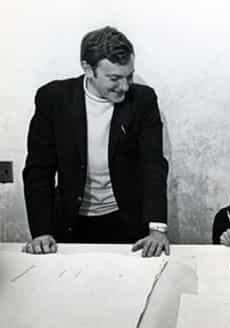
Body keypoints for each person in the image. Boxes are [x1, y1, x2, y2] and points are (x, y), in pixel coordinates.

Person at [22, 26, 169, 257]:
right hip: (70, 221)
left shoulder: (143, 100)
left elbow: (153, 165)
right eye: (114, 78)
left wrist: (157, 228)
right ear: (88, 69)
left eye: (129, 76)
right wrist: (41, 231)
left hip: (127, 220)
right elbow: (39, 170)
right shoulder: (53, 99)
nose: (125, 86)